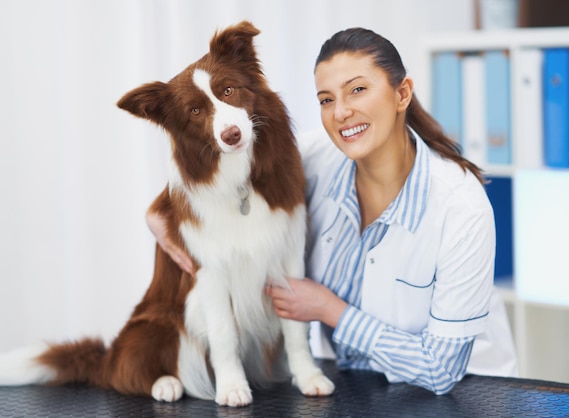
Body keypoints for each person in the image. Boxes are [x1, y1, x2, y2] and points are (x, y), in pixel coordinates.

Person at [147, 27, 518, 395]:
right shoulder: (311, 157)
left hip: (468, 392)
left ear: (402, 93)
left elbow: (441, 370)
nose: (341, 112)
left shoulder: (462, 207)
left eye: (358, 90)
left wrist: (329, 310)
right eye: (326, 99)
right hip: (358, 388)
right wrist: (158, 220)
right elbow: (203, 182)